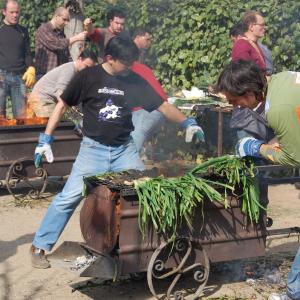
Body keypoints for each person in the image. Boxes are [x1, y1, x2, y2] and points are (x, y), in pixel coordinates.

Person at [30, 36, 205, 269]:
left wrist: (187, 123)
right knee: (68, 198)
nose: (130, 67)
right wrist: (46, 139)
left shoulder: (133, 80)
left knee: (148, 194)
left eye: (133, 62)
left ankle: (155, 247)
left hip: (125, 150)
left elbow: (162, 105)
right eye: (126, 63)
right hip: (93, 151)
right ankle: (40, 246)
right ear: (109, 58)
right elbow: (62, 105)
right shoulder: (88, 77)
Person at [215, 60, 300, 300]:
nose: (236, 107)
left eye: (235, 101)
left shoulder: (278, 109)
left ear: (250, 93)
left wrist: (257, 147)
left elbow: (293, 158)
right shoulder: (280, 80)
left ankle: (296, 292)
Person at [28, 49, 97, 118]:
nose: (88, 71)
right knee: (53, 125)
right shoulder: (69, 70)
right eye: (86, 66)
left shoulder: (78, 73)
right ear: (80, 59)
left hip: (43, 99)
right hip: (42, 100)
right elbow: (59, 92)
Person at [0, 0, 35, 119]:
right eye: (12, 12)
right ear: (3, 12)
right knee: (0, 116)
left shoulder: (23, 31)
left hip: (20, 77)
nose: (15, 15)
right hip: (1, 76)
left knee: (22, 117)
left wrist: (30, 67)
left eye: (17, 12)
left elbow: (27, 53)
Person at [35, 6, 87, 78]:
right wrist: (77, 38)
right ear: (56, 16)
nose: (66, 23)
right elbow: (57, 45)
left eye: (68, 20)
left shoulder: (61, 33)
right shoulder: (44, 29)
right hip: (44, 74)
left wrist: (73, 68)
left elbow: (66, 54)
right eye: (64, 19)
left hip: (58, 75)